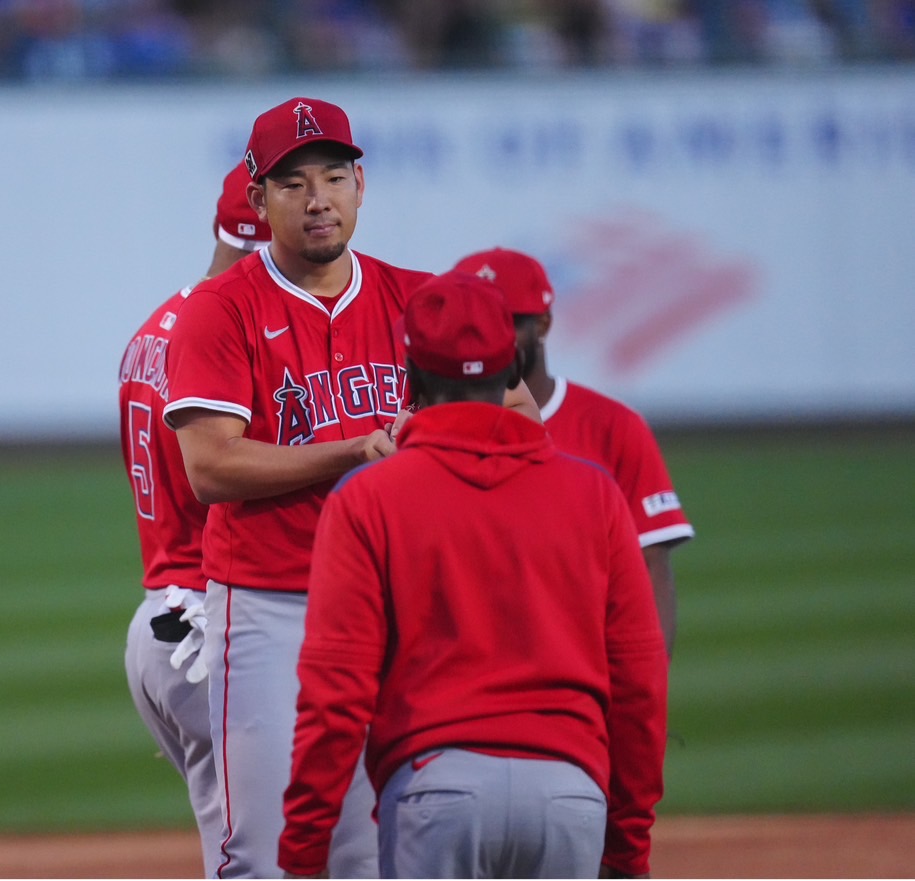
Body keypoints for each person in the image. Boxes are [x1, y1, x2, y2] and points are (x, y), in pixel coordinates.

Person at [164, 97, 540, 878]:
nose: (317, 199)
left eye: (333, 176)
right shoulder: (219, 309)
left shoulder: (420, 298)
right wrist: (355, 451)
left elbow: (519, 417)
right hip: (273, 602)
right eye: (293, 182)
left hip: (407, 603)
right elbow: (210, 467)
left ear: (360, 186)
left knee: (387, 846)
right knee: (262, 852)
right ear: (257, 196)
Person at [278, 271, 669, 879]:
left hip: (436, 796)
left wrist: (303, 854)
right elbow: (640, 680)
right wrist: (628, 849)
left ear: (410, 374)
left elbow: (336, 691)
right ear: (512, 367)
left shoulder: (367, 499)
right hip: (571, 798)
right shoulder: (594, 493)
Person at [119, 160, 271, 877]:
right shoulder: (230, 337)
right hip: (210, 627)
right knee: (264, 857)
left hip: (160, 625)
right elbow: (227, 482)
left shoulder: (156, 327)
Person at [454, 246, 694, 655]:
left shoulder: (613, 427)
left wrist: (646, 703)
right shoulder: (427, 427)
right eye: (471, 321)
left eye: (505, 321)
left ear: (543, 324)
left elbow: (650, 566)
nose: (486, 335)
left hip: (581, 679)